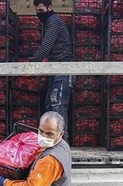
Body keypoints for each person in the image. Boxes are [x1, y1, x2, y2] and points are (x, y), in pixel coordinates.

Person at [31, 0, 74, 135]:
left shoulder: (54, 21)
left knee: (58, 106)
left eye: (41, 11)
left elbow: (46, 45)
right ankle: (52, 140)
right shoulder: (50, 22)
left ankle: (61, 142)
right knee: (50, 104)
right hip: (56, 67)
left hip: (63, 66)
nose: (39, 14)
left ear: (50, 8)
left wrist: (32, 62)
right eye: (37, 12)